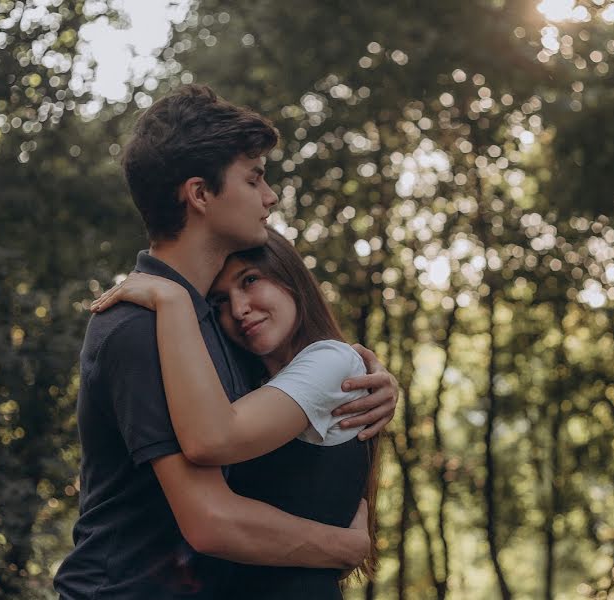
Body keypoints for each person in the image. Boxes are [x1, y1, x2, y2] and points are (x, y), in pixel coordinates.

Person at [54, 85, 397, 599]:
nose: (270, 196)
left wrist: (374, 383)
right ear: (199, 194)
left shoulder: (216, 327)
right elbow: (210, 519)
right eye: (254, 178)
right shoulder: (138, 325)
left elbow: (285, 422)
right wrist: (344, 547)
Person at [90, 227, 382, 598]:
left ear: (290, 277)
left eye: (250, 280)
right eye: (219, 302)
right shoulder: (255, 385)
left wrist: (173, 300)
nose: (239, 309)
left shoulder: (331, 359)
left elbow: (213, 439)